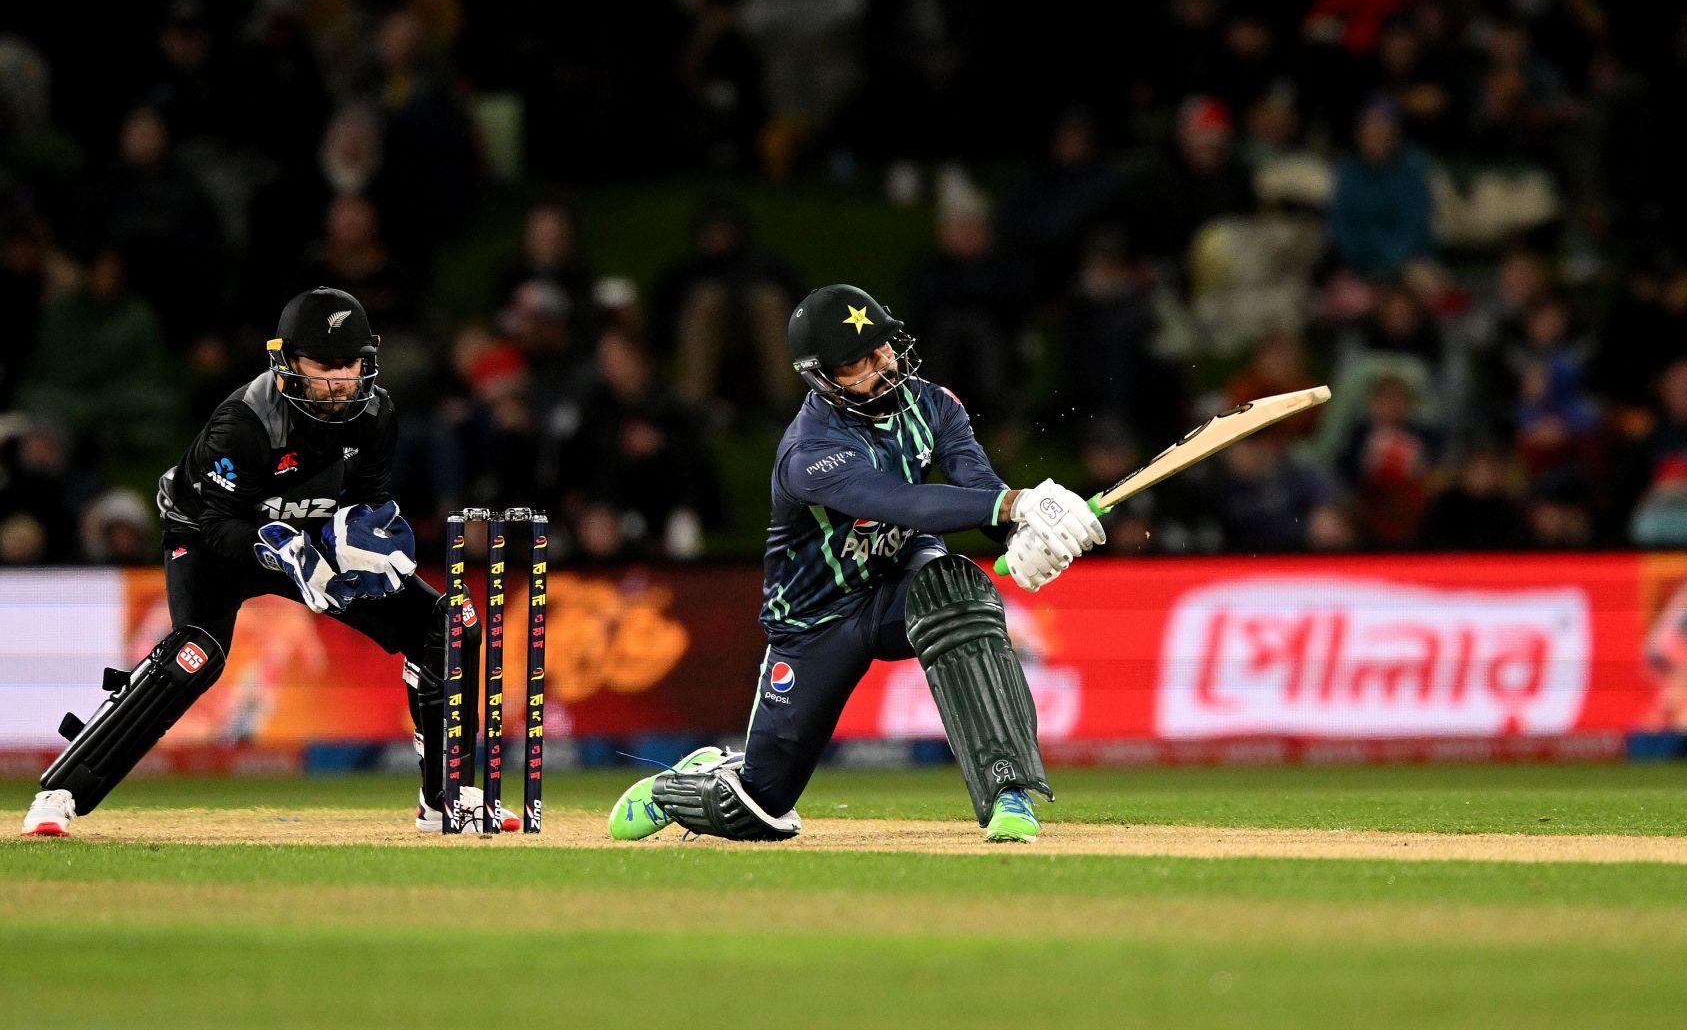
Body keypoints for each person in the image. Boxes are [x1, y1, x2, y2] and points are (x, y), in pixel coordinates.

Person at [608, 284, 1104, 845]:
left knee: (959, 595)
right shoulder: (811, 451)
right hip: (816, 618)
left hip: (900, 580)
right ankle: (690, 781)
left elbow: (979, 492)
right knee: (758, 809)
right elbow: (899, 500)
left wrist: (1032, 533)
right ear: (822, 377)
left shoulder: (935, 404)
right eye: (859, 361)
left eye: (884, 347)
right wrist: (1016, 502)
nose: (883, 364)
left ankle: (1008, 791)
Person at [20, 287, 507, 837]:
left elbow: (365, 500)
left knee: (449, 625)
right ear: (288, 363)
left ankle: (446, 800)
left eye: (350, 364)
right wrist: (282, 551)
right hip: (211, 537)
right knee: (194, 654)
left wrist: (361, 541)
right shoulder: (244, 422)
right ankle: (60, 792)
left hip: (308, 543)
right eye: (324, 365)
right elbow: (216, 522)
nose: (341, 380)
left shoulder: (377, 414)